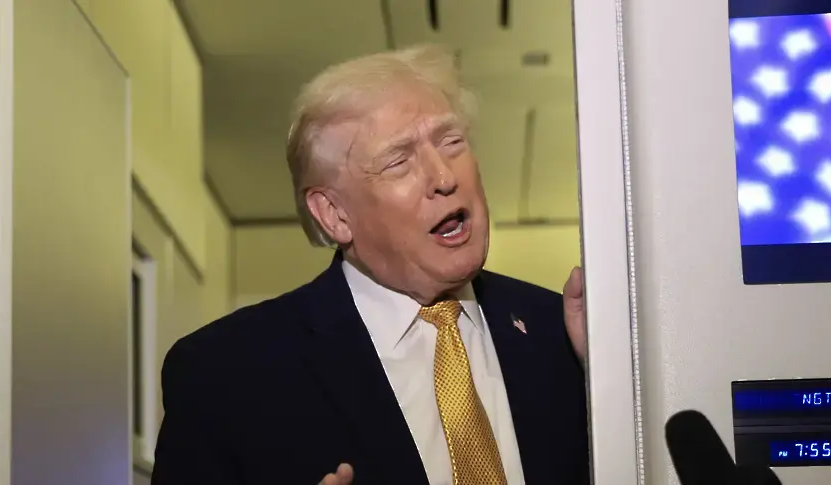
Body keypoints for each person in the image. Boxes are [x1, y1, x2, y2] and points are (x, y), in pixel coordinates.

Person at [150, 44, 589, 485]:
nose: (444, 177)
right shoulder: (225, 375)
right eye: (399, 161)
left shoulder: (565, 335)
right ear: (335, 215)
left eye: (451, 142)